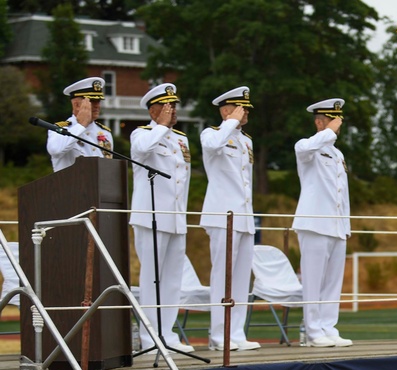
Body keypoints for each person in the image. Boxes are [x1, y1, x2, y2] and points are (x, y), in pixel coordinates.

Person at [129, 83, 194, 354]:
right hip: (151, 216)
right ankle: (150, 338)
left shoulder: (181, 139)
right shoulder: (141, 134)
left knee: (172, 280)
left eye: (175, 106)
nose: (173, 111)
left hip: (176, 217)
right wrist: (161, 126)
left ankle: (167, 334)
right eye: (168, 107)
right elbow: (142, 151)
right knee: (151, 279)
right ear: (154, 111)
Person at [200, 86, 260, 352]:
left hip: (244, 216)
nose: (245, 112)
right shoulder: (212, 134)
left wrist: (235, 124)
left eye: (245, 109)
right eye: (239, 108)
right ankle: (218, 334)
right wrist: (231, 121)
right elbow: (214, 145)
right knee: (221, 276)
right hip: (222, 215)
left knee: (240, 277)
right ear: (226, 110)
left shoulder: (246, 141)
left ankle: (236, 332)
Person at [291, 98, 353, 348]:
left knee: (332, 282)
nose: (337, 126)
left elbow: (341, 193)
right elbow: (306, 149)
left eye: (338, 121)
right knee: (313, 280)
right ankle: (313, 329)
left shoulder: (338, 154)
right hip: (314, 223)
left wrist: (346, 225)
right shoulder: (307, 147)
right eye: (332, 120)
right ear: (319, 122)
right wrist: (328, 132)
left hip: (336, 225)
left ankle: (329, 326)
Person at [46, 76, 113, 172]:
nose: (97, 106)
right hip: (70, 185)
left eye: (98, 101)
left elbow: (108, 165)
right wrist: (81, 125)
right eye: (92, 101)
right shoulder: (59, 129)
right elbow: (55, 150)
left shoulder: (104, 132)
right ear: (76, 105)